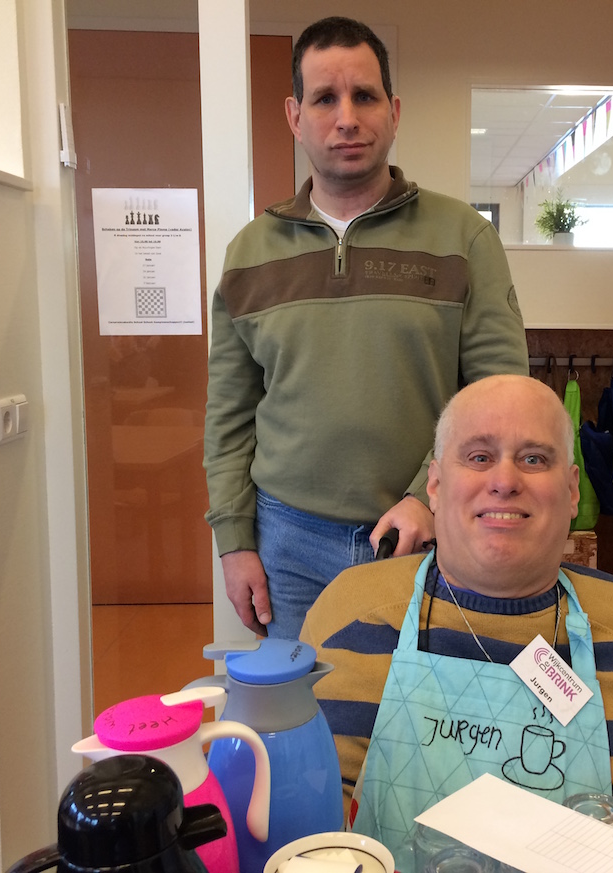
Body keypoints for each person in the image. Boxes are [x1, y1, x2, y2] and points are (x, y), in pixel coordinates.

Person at [302, 375, 613, 873]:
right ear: (435, 485)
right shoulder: (346, 615)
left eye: (534, 459)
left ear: (572, 490)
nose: (505, 481)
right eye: (479, 457)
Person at [203, 17, 528, 640]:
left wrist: (428, 496)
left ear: (394, 111)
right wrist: (234, 540)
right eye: (325, 99)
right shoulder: (249, 253)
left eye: (365, 96)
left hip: (426, 537)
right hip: (289, 548)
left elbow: (499, 395)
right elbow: (228, 414)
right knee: (311, 702)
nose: (347, 118)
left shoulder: (463, 237)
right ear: (295, 116)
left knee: (429, 702)